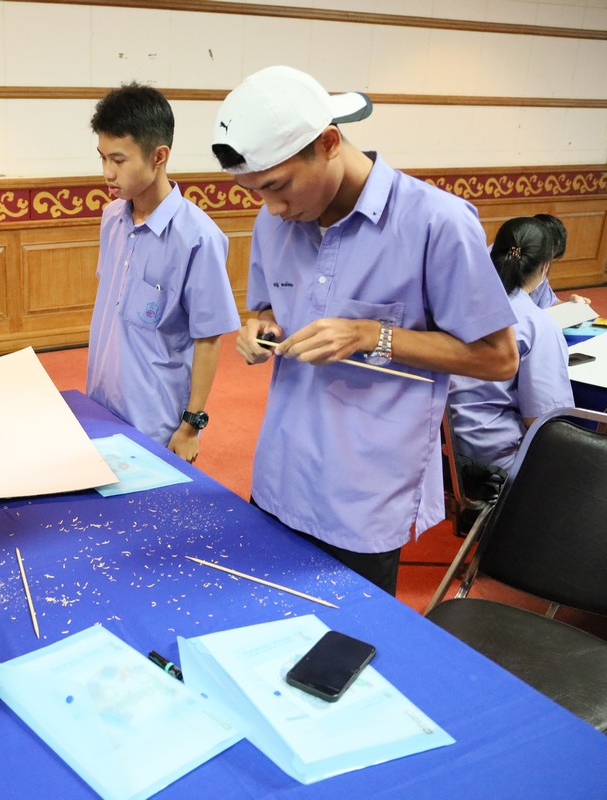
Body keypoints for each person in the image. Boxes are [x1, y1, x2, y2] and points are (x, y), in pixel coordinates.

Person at [212, 66, 519, 594]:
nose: (272, 208)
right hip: (279, 474)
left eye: (277, 186)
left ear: (329, 143)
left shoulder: (436, 223)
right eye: (254, 192)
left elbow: (498, 357)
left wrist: (370, 335)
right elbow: (265, 305)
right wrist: (258, 327)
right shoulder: (275, 222)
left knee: (346, 636)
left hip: (364, 497)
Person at [86, 82, 240, 462]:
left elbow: (208, 338)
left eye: (118, 160)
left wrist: (191, 426)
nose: (107, 172)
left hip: (155, 423)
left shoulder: (198, 238)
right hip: (100, 405)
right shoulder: (111, 218)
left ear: (159, 156)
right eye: (102, 158)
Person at [449, 217, 573, 477]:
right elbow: (545, 421)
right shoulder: (537, 324)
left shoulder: (451, 305)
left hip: (441, 450)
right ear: (545, 266)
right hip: (496, 461)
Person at [528, 213, 590, 307]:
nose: (545, 265)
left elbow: (549, 303)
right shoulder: (507, 276)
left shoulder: (541, 276)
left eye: (550, 259)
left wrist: (570, 304)